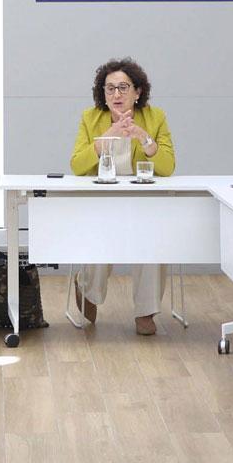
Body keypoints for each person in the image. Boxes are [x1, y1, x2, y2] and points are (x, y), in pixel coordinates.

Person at [67, 58, 175, 336]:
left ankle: (146, 311)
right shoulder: (91, 118)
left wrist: (142, 136)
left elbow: (167, 167)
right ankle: (87, 288)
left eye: (123, 87)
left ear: (138, 92)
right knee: (102, 235)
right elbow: (78, 166)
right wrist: (109, 136)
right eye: (109, 88)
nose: (116, 94)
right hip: (102, 199)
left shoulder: (156, 117)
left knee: (151, 238)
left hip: (145, 200)